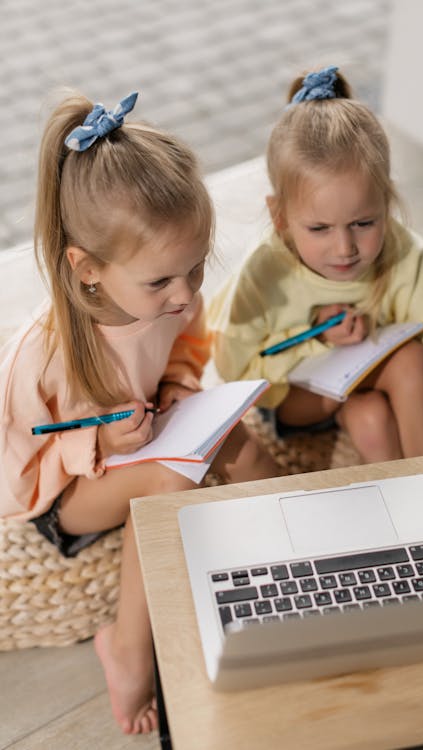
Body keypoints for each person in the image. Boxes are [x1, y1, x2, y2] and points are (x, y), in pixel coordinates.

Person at [0, 90, 281, 735]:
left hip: (149, 435)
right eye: (161, 282)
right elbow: (18, 472)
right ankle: (126, 650)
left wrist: (182, 385)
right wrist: (97, 443)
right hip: (70, 497)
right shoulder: (39, 357)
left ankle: (288, 566)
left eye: (195, 269)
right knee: (168, 480)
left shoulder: (174, 298)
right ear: (88, 269)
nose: (185, 295)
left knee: (243, 446)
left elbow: (186, 346)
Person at [208, 65, 423, 461]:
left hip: (364, 391)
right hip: (293, 399)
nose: (344, 248)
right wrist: (313, 336)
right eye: (319, 228)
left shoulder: (410, 258)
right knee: (411, 361)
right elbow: (233, 370)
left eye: (363, 223)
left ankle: (419, 499)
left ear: (386, 204)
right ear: (280, 217)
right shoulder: (265, 272)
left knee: (370, 415)